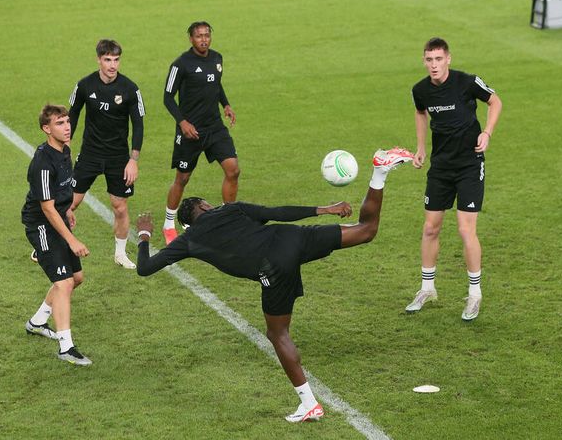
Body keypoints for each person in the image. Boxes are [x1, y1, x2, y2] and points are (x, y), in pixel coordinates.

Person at [135, 147, 414, 422]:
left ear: (188, 224)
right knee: (366, 231)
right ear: (206, 206)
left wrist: (145, 236)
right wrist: (324, 209)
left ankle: (309, 404)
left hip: (273, 268)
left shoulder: (189, 239)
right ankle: (379, 171)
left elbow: (145, 268)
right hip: (292, 238)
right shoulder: (234, 209)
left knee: (277, 334)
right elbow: (278, 211)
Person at [405, 38, 502, 321]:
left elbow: (495, 101)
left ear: (448, 59)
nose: (433, 65)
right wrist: (421, 148)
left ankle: (474, 295)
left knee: (464, 229)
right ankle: (427, 289)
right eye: (428, 60)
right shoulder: (420, 90)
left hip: (470, 164)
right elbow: (420, 113)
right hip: (441, 167)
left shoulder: (467, 82)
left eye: (438, 59)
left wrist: (487, 132)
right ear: (424, 61)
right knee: (430, 227)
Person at [22, 104, 92, 366]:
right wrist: (72, 240)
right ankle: (66, 347)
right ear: (46, 129)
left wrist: (70, 210)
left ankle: (37, 322)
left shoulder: (64, 150)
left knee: (76, 278)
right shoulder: (42, 162)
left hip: (58, 217)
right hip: (40, 224)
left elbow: (60, 196)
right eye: (60, 123)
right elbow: (46, 208)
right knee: (64, 283)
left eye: (67, 122)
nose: (67, 127)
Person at [68, 38, 146, 269]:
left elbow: (138, 125)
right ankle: (48, 245)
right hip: (90, 154)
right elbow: (72, 115)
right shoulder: (85, 85)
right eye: (108, 60)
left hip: (118, 158)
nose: (113, 65)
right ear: (99, 60)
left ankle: (120, 254)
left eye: (116, 60)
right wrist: (65, 146)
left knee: (120, 206)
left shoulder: (130, 89)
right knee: (70, 203)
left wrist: (133, 160)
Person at [161, 21, 238, 245]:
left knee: (233, 170)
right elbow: (167, 97)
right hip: (190, 131)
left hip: (214, 127)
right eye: (199, 36)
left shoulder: (217, 58)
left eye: (207, 35)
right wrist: (183, 122)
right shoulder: (181, 64)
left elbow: (216, 83)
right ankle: (168, 224)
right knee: (182, 178)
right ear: (191, 39)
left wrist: (226, 104)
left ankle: (228, 219)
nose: (203, 40)